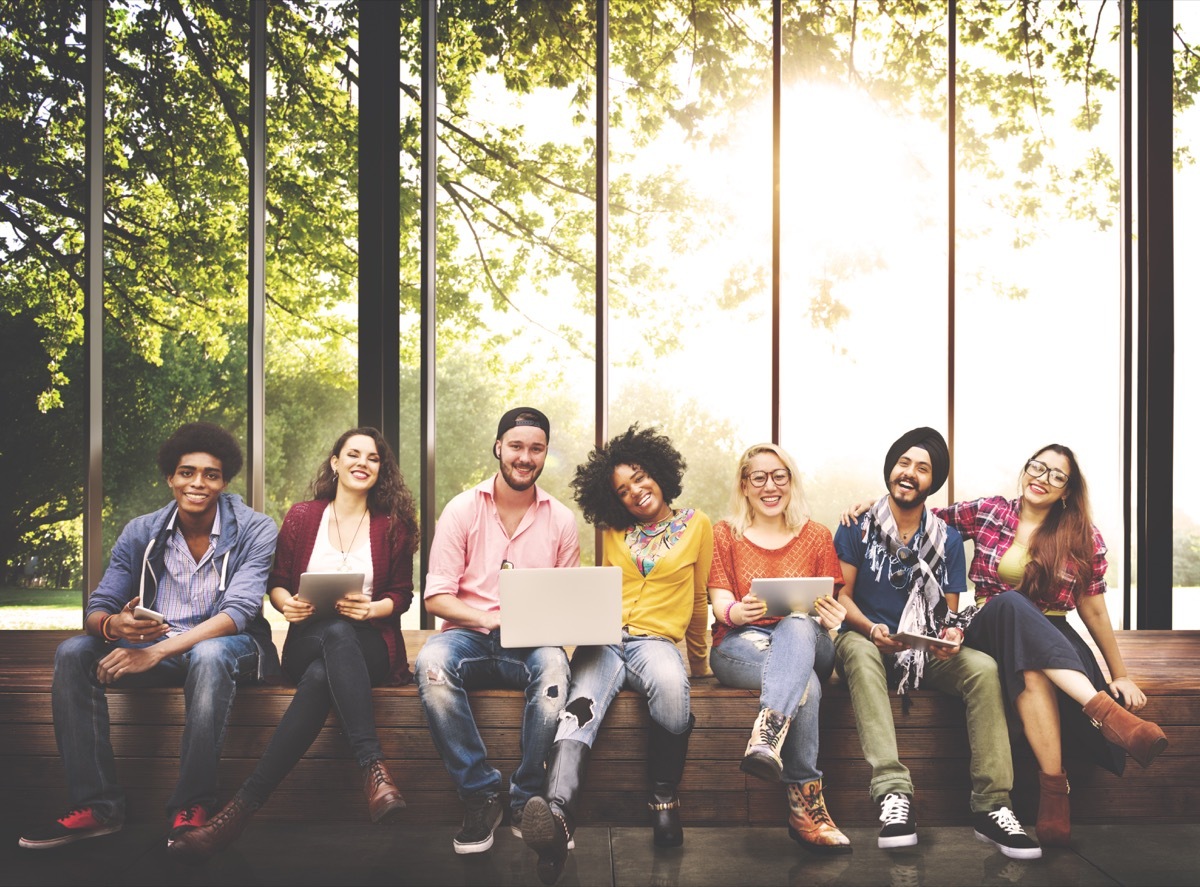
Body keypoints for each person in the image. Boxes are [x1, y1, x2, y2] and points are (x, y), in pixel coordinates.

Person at [19, 423, 280, 852]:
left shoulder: (256, 528)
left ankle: (191, 806)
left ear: (224, 481)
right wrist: (113, 627)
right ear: (170, 477)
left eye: (210, 474)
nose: (198, 483)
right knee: (73, 652)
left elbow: (239, 612)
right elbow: (98, 604)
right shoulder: (142, 531)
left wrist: (154, 651)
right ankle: (98, 806)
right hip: (157, 646)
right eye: (187, 472)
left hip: (234, 648)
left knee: (210, 654)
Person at [169, 427, 420, 859]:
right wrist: (288, 606)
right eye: (353, 454)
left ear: (382, 470)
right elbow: (278, 583)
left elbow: (401, 594)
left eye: (373, 458)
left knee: (331, 659)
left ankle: (237, 813)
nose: (363, 463)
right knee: (330, 640)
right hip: (307, 639)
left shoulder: (391, 524)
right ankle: (373, 768)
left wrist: (373, 608)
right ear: (335, 462)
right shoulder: (304, 516)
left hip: (371, 645)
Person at [929, 444, 1167, 846]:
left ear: (1067, 491)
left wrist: (1120, 674)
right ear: (1026, 471)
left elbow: (1093, 612)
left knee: (1033, 668)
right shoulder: (991, 511)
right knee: (1011, 602)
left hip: (1053, 637)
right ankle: (1109, 717)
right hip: (989, 624)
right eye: (1038, 468)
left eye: (1057, 476)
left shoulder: (1082, 536)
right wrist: (874, 505)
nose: (1043, 478)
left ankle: (1054, 793)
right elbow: (922, 519)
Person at [832, 427, 1041, 859]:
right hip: (869, 642)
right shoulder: (856, 525)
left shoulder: (945, 538)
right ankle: (893, 795)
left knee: (982, 667)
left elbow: (946, 612)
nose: (910, 473)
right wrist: (872, 628)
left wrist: (948, 636)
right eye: (903, 463)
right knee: (853, 647)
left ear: (934, 481)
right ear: (890, 469)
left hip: (920, 652)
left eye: (922, 468)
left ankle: (993, 804)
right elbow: (841, 596)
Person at [522, 425, 712, 885]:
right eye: (623, 490)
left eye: (641, 478)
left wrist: (701, 662)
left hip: (655, 642)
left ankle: (664, 800)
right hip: (604, 639)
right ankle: (558, 815)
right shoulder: (610, 530)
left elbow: (700, 598)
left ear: (660, 473)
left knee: (671, 687)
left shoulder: (697, 525)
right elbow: (598, 588)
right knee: (577, 709)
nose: (636, 492)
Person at [415, 407, 579, 856]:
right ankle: (480, 794)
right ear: (498, 448)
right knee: (430, 662)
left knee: (553, 667)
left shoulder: (561, 520)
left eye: (536, 448)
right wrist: (488, 618)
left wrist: (554, 623)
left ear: (545, 453)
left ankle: (527, 798)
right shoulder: (462, 509)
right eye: (517, 446)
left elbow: (568, 602)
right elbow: (436, 598)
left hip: (528, 644)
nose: (525, 457)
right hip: (468, 635)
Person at [706, 443, 850, 852]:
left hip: (811, 642)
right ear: (745, 485)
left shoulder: (817, 535)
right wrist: (739, 612)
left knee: (800, 622)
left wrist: (830, 618)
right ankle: (807, 808)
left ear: (791, 481)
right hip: (742, 645)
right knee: (808, 687)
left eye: (779, 476)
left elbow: (829, 607)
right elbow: (721, 606)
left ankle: (767, 736)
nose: (770, 486)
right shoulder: (724, 534)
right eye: (759, 477)